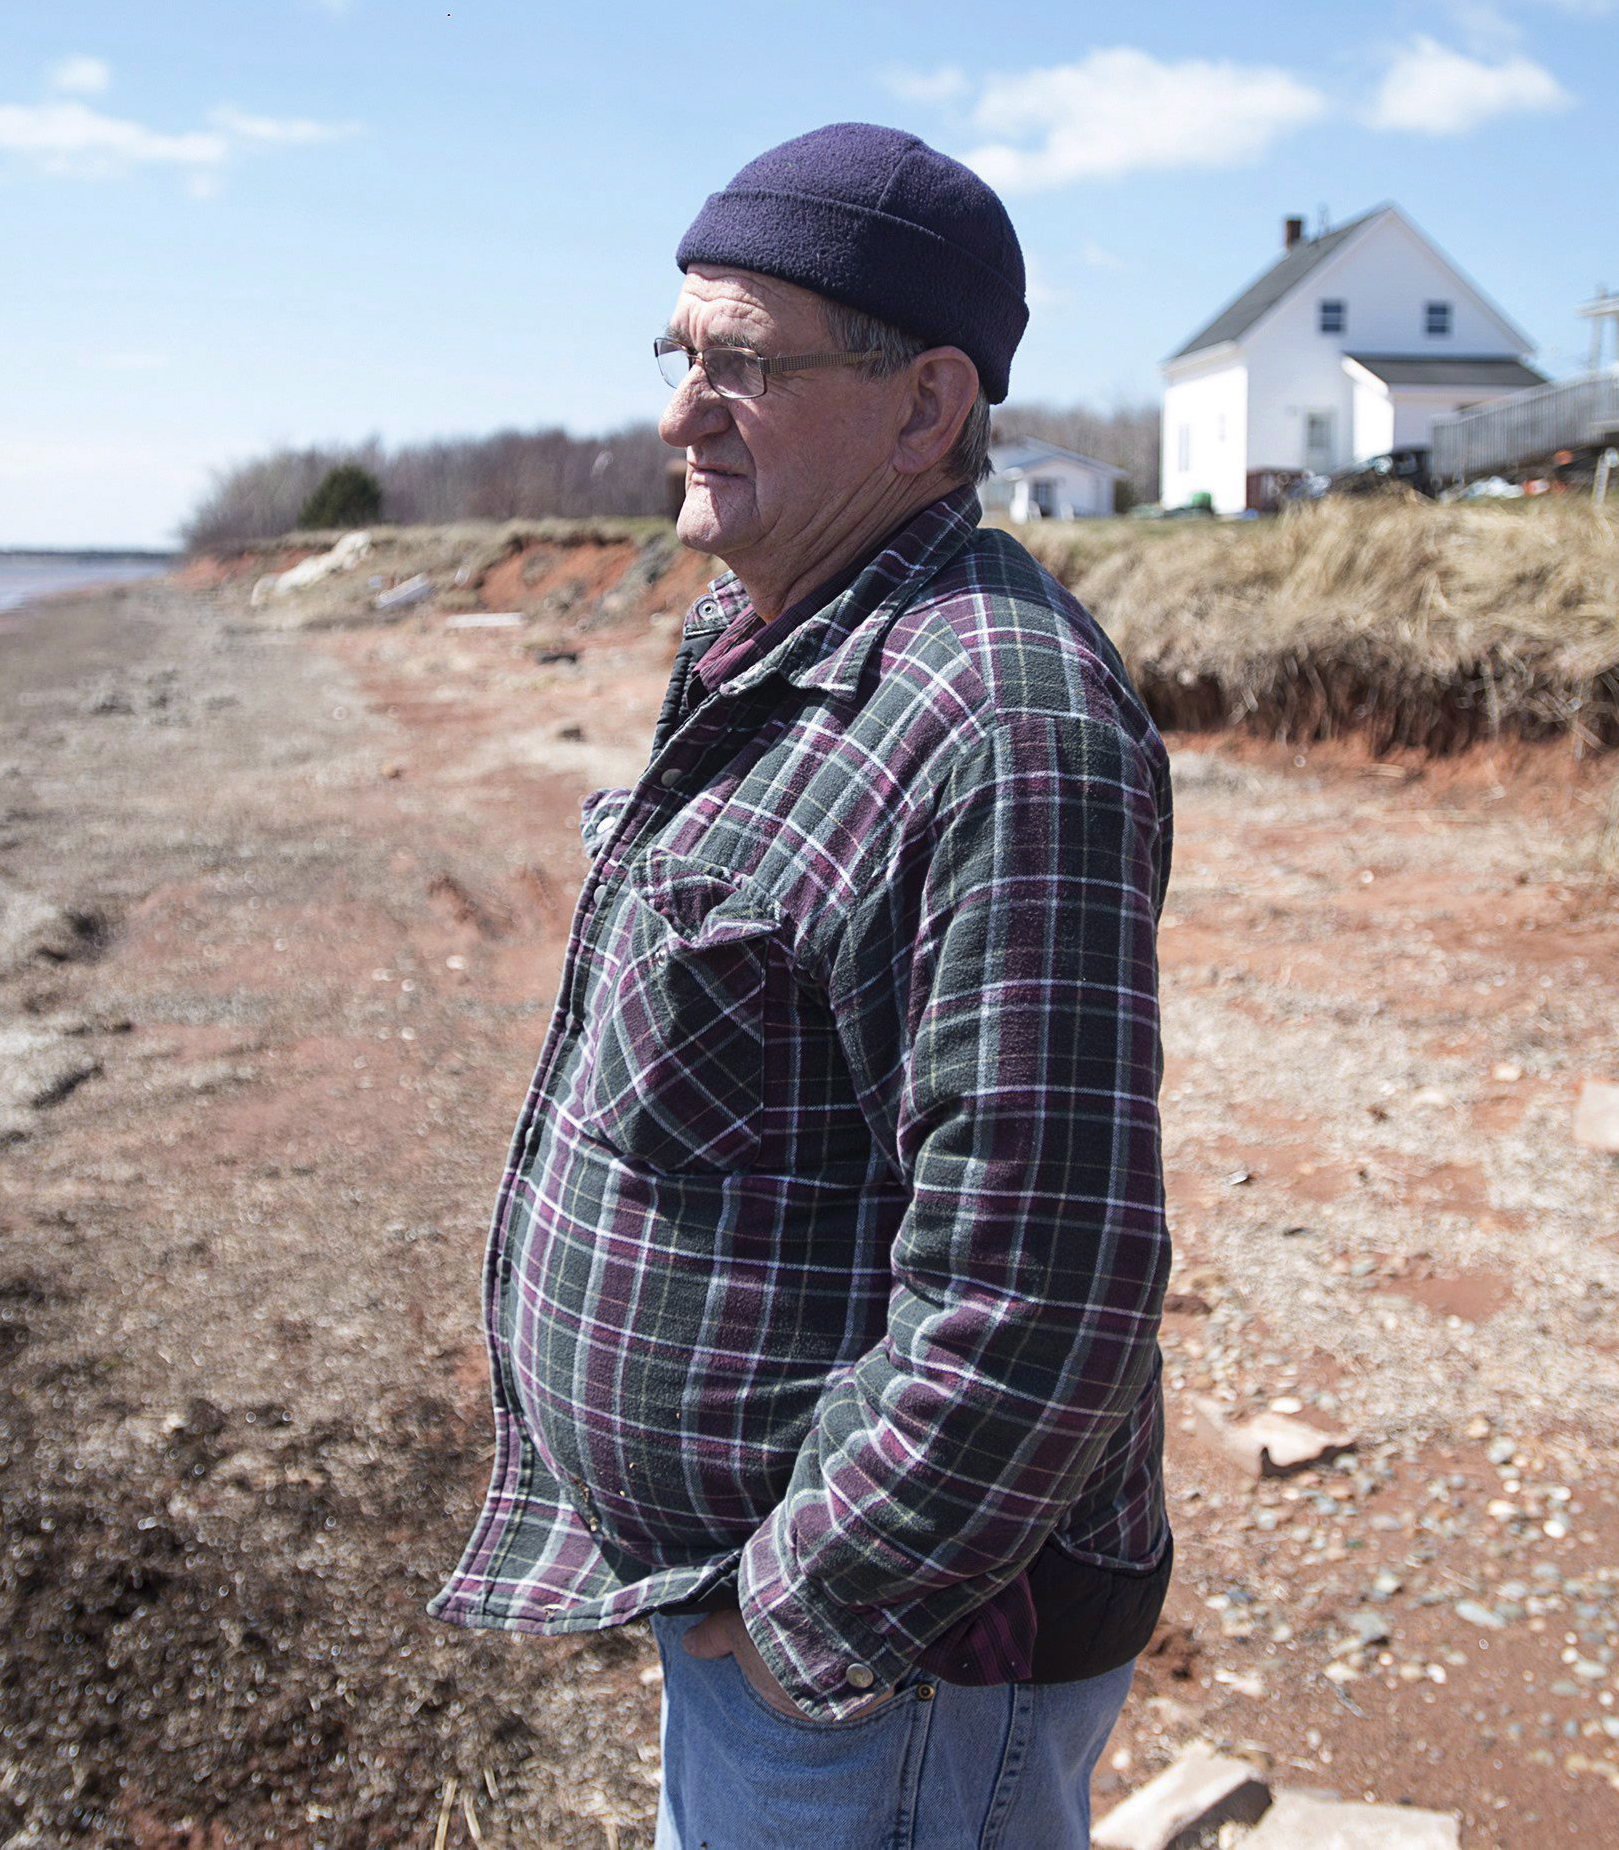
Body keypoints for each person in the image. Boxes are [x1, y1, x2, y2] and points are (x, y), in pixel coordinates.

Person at [430, 123, 1174, 1847]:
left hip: (895, 1659)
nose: (683, 411)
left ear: (926, 410)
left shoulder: (1002, 721)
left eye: (746, 366)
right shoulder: (775, 636)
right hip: (768, 1611)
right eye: (682, 355)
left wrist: (797, 1621)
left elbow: (1040, 1289)